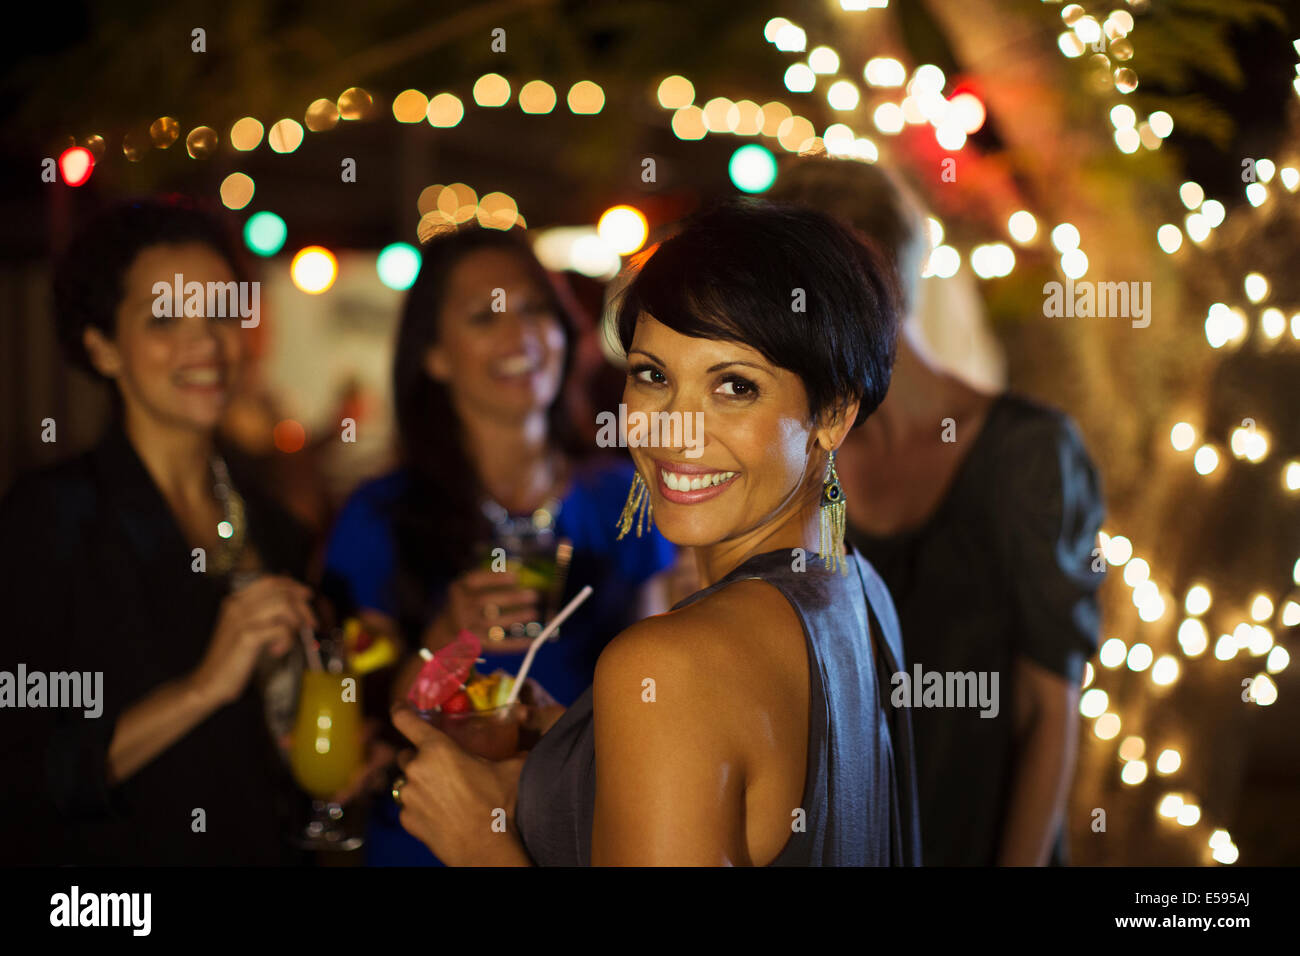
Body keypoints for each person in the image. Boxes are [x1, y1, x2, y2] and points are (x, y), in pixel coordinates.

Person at [388, 197, 923, 866]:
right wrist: (572, 754)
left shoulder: (668, 665)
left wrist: (479, 843)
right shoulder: (862, 591)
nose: (674, 428)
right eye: (653, 376)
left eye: (734, 386)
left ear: (833, 414)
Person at [771, 154, 1105, 866]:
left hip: (982, 837)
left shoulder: (1026, 450)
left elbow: (1052, 708)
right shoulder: (799, 455)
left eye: (840, 276)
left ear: (897, 274)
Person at [320, 224, 678, 865]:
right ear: (433, 355)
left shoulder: (628, 494)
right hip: (423, 842)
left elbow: (659, 703)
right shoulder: (381, 515)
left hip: (579, 835)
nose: (520, 334)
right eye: (484, 317)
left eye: (534, 308)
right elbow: (357, 718)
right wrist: (447, 637)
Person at [0, 198, 314, 864]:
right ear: (102, 346)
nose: (205, 344)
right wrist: (204, 686)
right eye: (165, 318)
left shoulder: (275, 525)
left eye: (223, 313)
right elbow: (26, 772)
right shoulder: (50, 521)